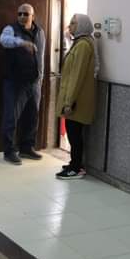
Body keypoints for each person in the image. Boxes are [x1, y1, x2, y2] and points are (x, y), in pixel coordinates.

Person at [0, 3, 45, 165]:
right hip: (15, 81)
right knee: (11, 117)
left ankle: (27, 147)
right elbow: (4, 40)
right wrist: (22, 42)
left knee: (32, 116)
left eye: (26, 14)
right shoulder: (10, 29)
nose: (22, 17)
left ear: (33, 16)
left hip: (34, 81)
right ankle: (9, 151)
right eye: (19, 14)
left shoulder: (40, 32)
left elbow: (41, 56)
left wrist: (40, 77)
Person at [55, 13, 99, 179]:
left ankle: (76, 168)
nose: (70, 26)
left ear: (82, 26)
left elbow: (77, 76)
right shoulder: (80, 43)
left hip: (77, 100)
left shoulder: (83, 46)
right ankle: (75, 163)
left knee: (74, 134)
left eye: (73, 23)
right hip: (76, 98)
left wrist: (69, 102)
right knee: (73, 133)